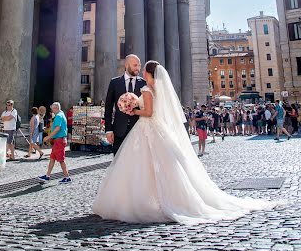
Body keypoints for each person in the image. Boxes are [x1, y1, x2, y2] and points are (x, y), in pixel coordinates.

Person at [93, 61, 278, 225]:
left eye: (142, 69)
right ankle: (160, 198)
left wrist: (133, 110)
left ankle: (145, 201)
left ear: (149, 73)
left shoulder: (146, 88)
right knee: (159, 166)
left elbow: (148, 113)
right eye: (136, 66)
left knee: (143, 166)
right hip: (154, 129)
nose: (140, 71)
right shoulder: (156, 88)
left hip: (146, 128)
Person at [104, 54, 146, 155]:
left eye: (139, 66)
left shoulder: (144, 84)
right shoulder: (114, 82)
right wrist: (108, 130)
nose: (138, 68)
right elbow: (108, 107)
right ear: (126, 65)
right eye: (135, 65)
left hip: (139, 131)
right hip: (119, 131)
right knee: (118, 163)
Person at [36, 102, 71, 184]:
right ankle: (47, 176)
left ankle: (67, 177)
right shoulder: (61, 114)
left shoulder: (58, 116)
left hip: (59, 140)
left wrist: (48, 137)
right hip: (58, 140)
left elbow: (57, 128)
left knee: (61, 159)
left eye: (52, 109)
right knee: (52, 158)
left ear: (55, 108)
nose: (51, 110)